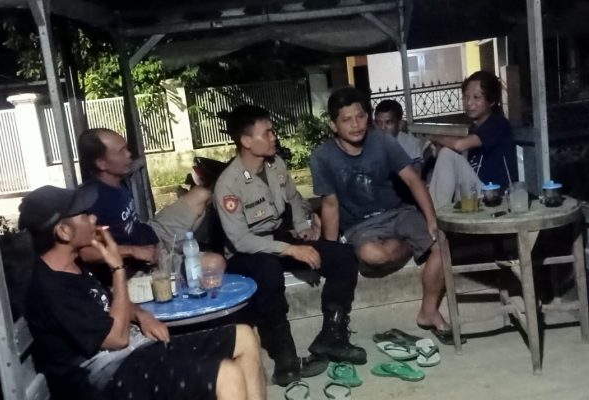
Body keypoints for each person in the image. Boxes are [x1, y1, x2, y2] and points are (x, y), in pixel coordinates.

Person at [20, 185, 265, 400]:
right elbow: (117, 338)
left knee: (244, 336)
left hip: (134, 352)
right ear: (63, 232)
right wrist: (117, 268)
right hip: (107, 378)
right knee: (227, 375)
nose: (93, 217)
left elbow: (108, 303)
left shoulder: (71, 266)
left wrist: (140, 314)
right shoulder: (50, 288)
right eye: (84, 214)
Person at [213, 105, 366, 386]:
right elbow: (241, 240)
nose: (274, 137)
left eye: (273, 131)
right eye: (267, 133)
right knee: (268, 272)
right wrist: (291, 249)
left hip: (279, 239)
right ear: (246, 141)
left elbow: (294, 198)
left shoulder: (276, 166)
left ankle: (332, 336)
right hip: (246, 253)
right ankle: (284, 355)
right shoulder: (228, 184)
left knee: (343, 256)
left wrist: (302, 227)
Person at [310, 87, 461, 345]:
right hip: (361, 226)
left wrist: (431, 220)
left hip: (399, 213)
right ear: (333, 125)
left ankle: (428, 311)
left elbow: (413, 180)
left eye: (360, 116)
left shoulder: (382, 141)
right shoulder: (322, 157)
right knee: (372, 255)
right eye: (347, 120)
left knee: (441, 244)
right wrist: (332, 252)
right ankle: (413, 247)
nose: (356, 124)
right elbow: (331, 206)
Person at [76, 128, 224, 276]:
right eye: (121, 151)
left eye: (126, 148)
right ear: (101, 163)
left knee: (202, 193)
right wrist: (133, 251)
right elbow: (86, 253)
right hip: (141, 266)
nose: (128, 154)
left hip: (152, 233)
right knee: (215, 263)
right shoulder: (90, 198)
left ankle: (192, 247)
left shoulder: (117, 180)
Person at [428, 70, 518, 207]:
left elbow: (459, 145)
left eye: (476, 97)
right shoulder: (475, 128)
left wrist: (434, 137)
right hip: (476, 192)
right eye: (465, 97)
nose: (469, 103)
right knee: (445, 154)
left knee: (447, 154)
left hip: (496, 195)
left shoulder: (497, 124)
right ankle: (438, 211)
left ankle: (436, 213)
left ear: (491, 101)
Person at [373, 99, 427, 174]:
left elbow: (415, 175)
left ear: (400, 124)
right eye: (378, 123)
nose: (382, 128)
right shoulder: (369, 144)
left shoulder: (411, 144)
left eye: (388, 123)